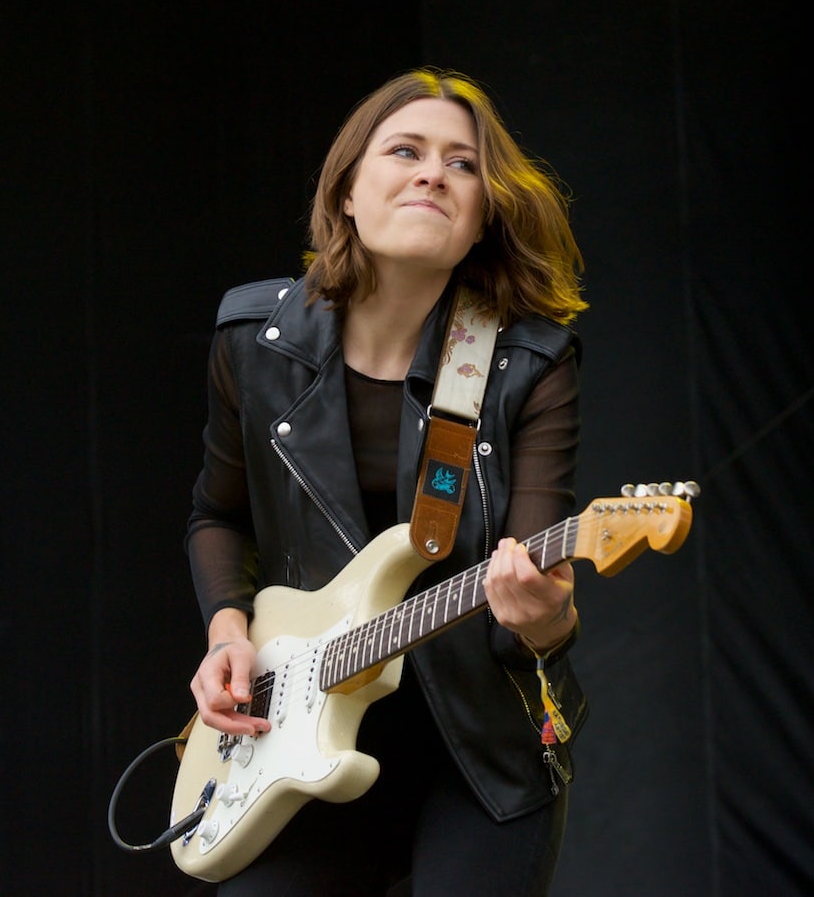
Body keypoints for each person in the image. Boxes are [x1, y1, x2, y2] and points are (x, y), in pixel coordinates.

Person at [186, 66, 588, 895]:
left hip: (478, 749)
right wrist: (228, 635)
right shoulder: (252, 341)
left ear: (482, 217)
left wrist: (546, 618)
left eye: (462, 164)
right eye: (405, 151)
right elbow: (217, 516)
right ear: (346, 192)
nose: (433, 174)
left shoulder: (526, 363)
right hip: (291, 736)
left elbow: (536, 592)